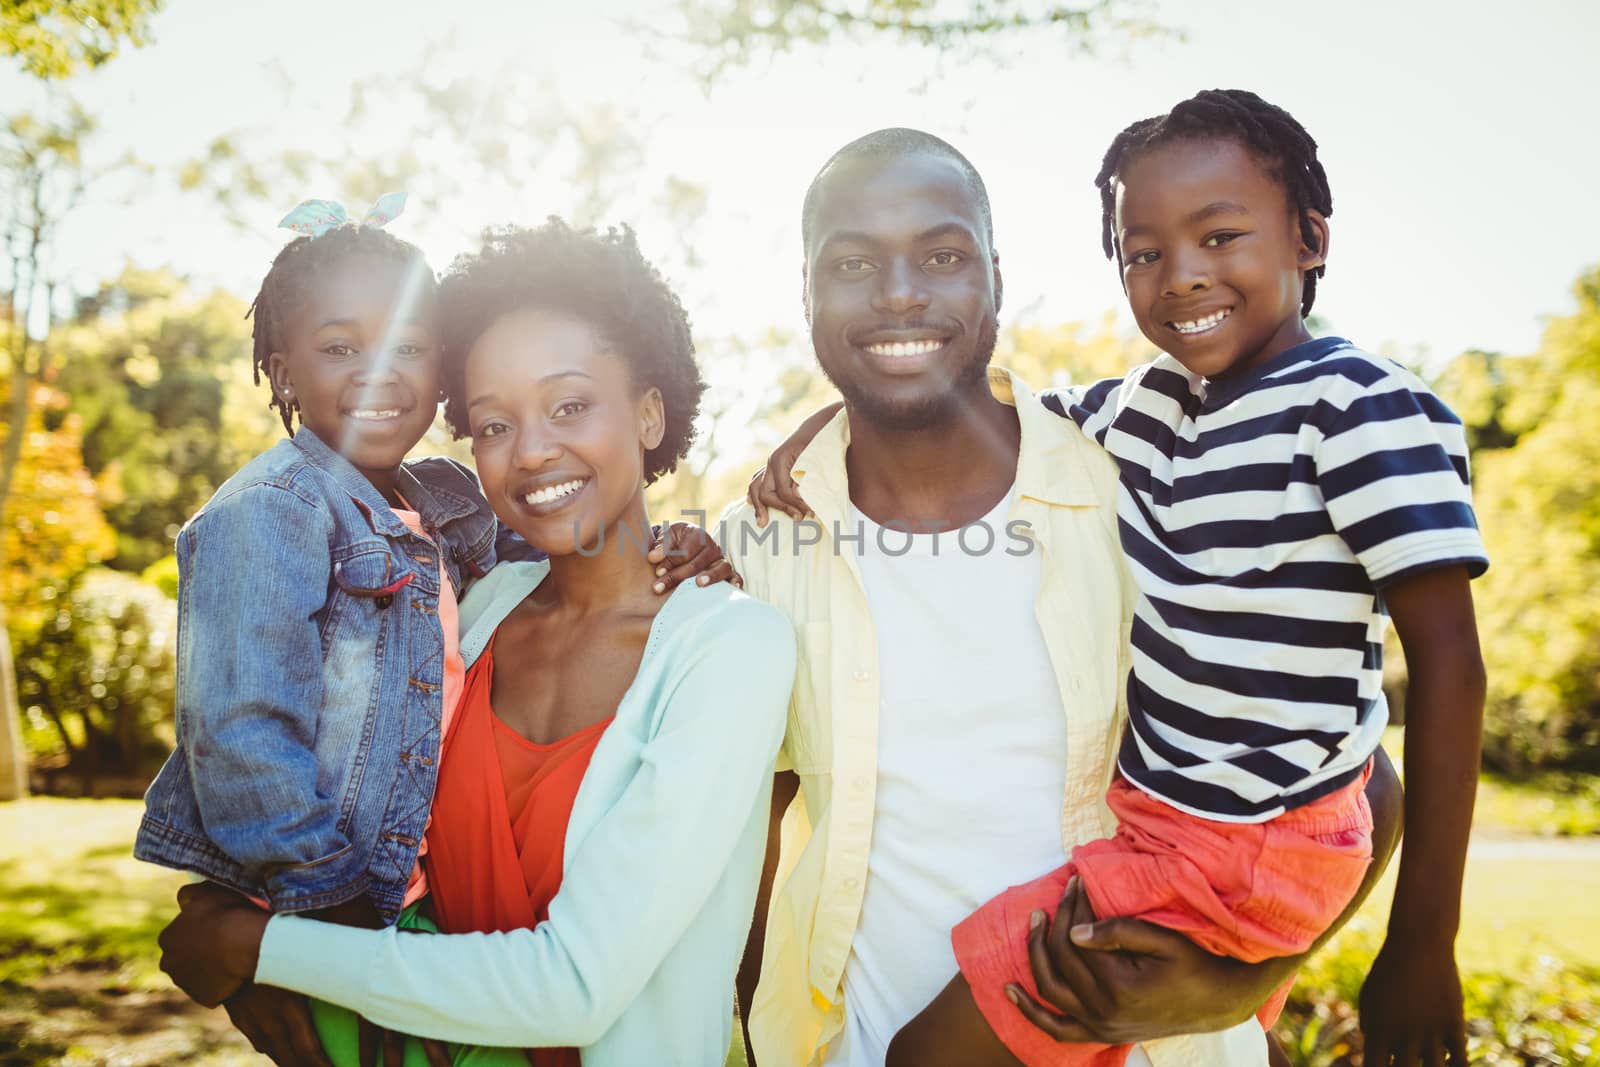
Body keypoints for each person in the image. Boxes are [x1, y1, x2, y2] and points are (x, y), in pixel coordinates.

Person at [729, 127, 1403, 1067]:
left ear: (996, 279)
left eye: (942, 254)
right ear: (806, 293)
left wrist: (1243, 982)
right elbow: (751, 839)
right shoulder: (761, 542)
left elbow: (1363, 782)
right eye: (852, 263)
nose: (899, 292)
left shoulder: (1142, 487)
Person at [137, 205, 735, 1065]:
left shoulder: (445, 499)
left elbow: (566, 542)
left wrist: (678, 544)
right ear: (282, 371)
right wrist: (321, 927)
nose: (378, 371)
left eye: (409, 346)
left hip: (412, 914)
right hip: (332, 902)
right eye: (340, 347)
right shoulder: (268, 514)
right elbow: (239, 735)